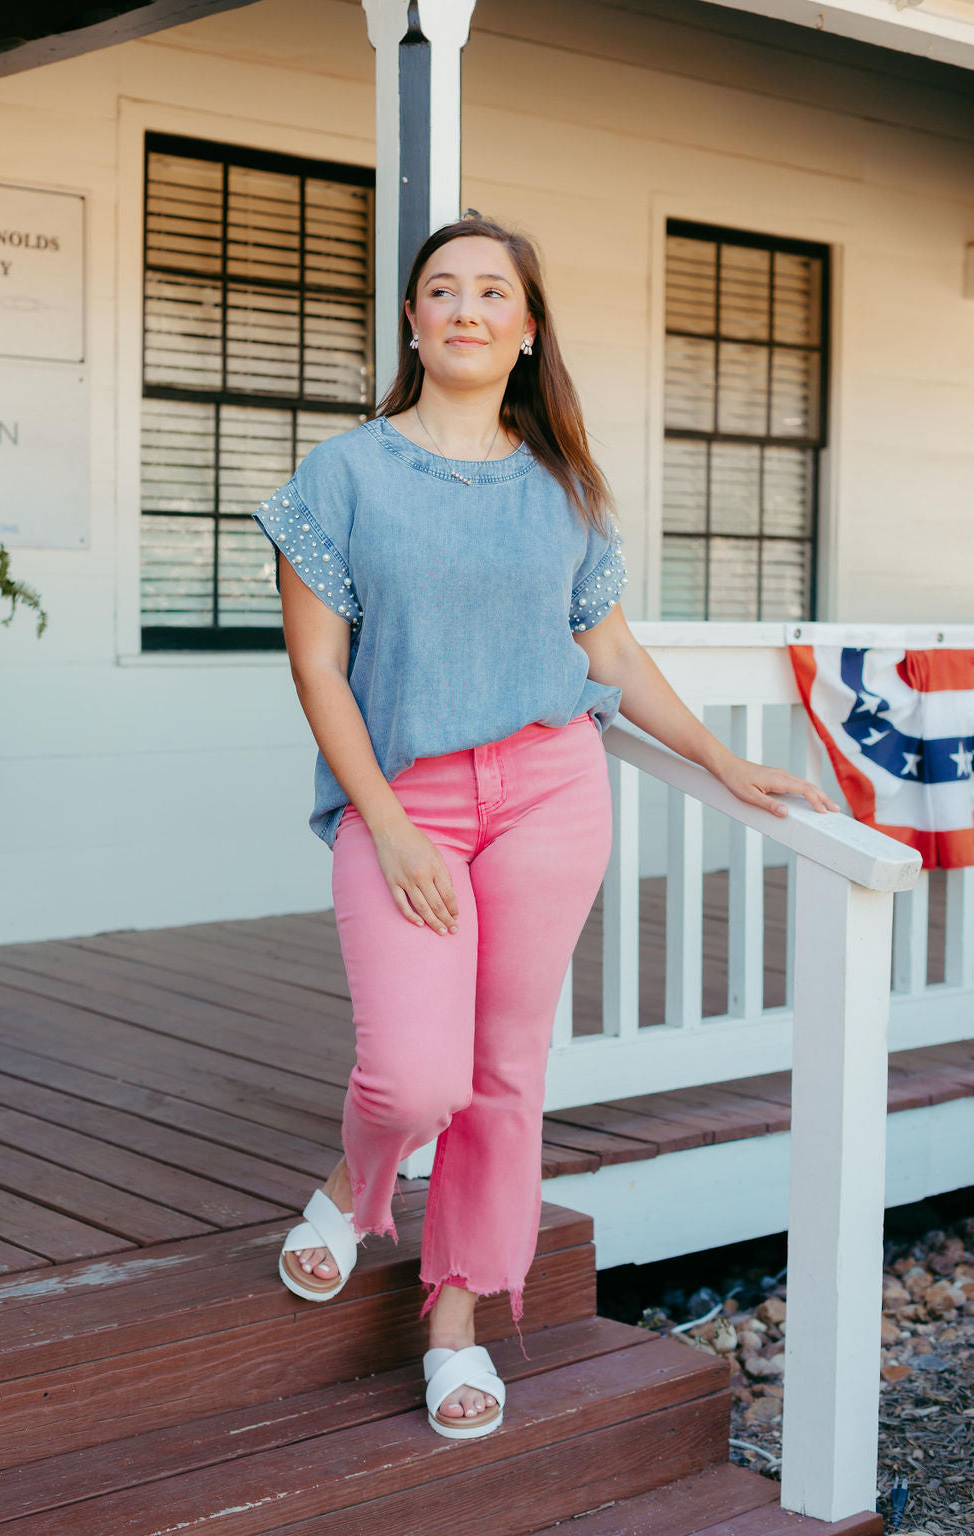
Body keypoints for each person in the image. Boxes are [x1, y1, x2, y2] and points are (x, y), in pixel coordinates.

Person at [252, 211, 838, 1442]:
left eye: (491, 294)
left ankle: (454, 1327)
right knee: (415, 1079)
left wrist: (725, 759)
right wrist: (389, 826)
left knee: (507, 1075)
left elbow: (607, 648)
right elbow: (318, 672)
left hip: (551, 792)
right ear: (412, 323)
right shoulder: (343, 475)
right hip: (404, 800)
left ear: (525, 332)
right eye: (441, 290)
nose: (465, 309)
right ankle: (351, 1187)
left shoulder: (564, 486)